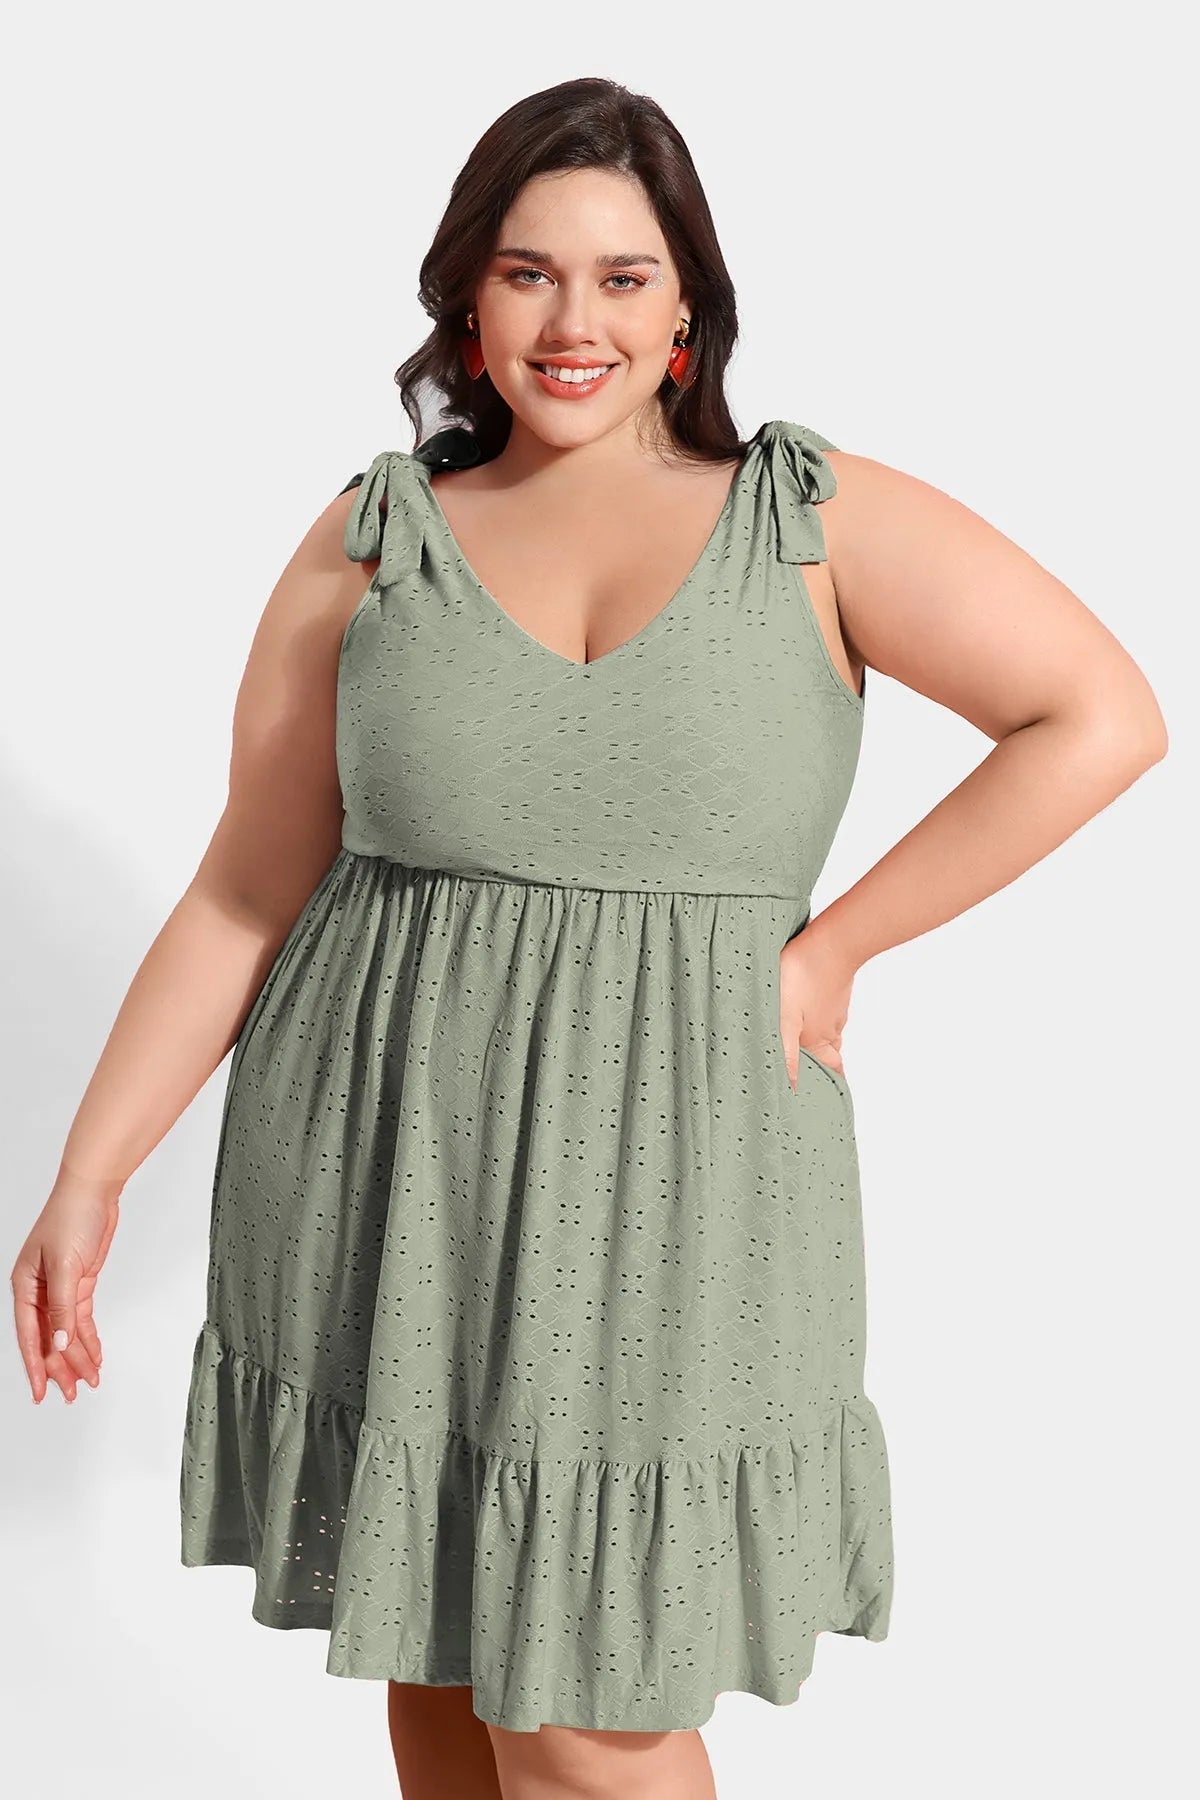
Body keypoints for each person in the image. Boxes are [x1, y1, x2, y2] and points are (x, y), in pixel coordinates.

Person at [11, 74, 1167, 1800]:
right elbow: (247, 891)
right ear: (468, 302)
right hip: (389, 1158)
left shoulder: (809, 519)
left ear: (687, 306)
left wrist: (836, 949)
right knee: (442, 1658)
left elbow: (1099, 716)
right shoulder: (375, 537)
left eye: (624, 277)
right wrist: (91, 1175)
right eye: (529, 273)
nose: (575, 322)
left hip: (684, 1176)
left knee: (582, 1704)